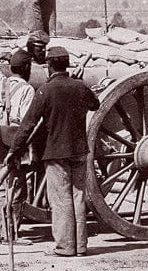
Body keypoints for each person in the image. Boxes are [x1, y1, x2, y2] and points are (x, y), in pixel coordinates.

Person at [7, 45, 99, 257]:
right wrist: (80, 84)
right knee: (78, 198)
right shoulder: (79, 87)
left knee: (60, 200)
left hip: (55, 152)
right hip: (78, 151)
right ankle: (81, 247)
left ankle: (65, 247)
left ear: (49, 66)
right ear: (67, 64)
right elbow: (95, 104)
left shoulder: (45, 91)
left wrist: (14, 150)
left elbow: (28, 124)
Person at [0, 48, 36, 243]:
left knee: (0, 187)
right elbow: (28, 122)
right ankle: (11, 234)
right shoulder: (27, 89)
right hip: (16, 139)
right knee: (18, 187)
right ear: (27, 68)